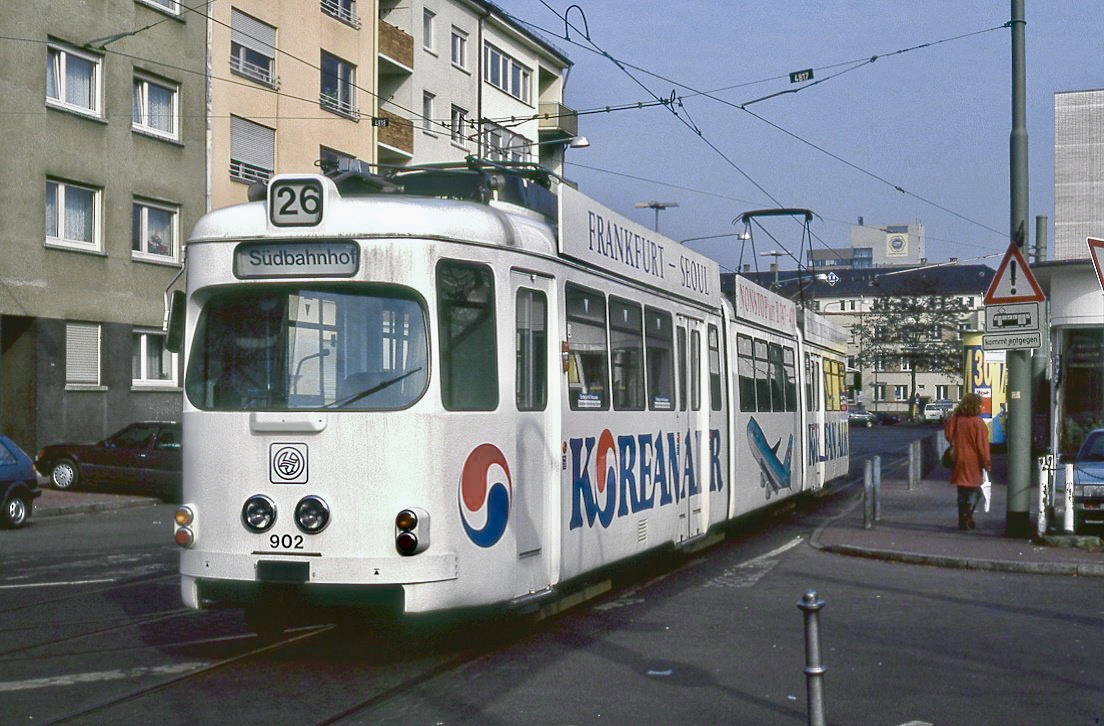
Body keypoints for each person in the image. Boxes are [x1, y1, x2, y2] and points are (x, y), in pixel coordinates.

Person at [944, 393, 991, 530]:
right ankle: (968, 513)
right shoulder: (978, 423)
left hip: (958, 458)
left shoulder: (955, 419)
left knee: (961, 491)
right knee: (977, 490)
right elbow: (982, 446)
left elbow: (948, 435)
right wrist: (987, 463)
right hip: (973, 461)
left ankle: (962, 521)